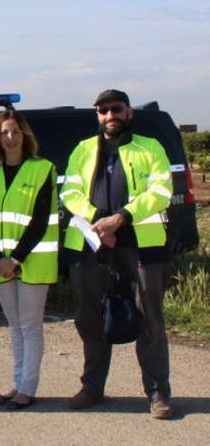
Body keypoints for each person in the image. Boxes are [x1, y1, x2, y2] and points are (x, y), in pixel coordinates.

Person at [60, 89, 174, 419]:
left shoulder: (150, 148)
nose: (110, 115)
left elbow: (161, 190)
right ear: (97, 115)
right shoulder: (82, 150)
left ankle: (157, 392)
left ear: (129, 113)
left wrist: (120, 218)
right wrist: (99, 223)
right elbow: (69, 191)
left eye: (116, 109)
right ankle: (92, 387)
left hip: (141, 245)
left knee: (150, 318)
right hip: (93, 245)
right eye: (103, 110)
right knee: (89, 317)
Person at [0, 110, 58, 410]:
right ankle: (17, 383)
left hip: (32, 261)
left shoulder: (43, 169)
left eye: (14, 131)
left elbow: (40, 220)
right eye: (3, 132)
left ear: (25, 135)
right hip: (0, 263)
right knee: (14, 327)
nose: (9, 138)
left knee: (30, 327)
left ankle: (28, 388)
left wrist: (15, 259)